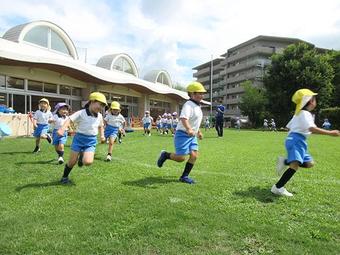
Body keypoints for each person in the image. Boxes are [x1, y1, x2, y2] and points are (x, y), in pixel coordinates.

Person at [272, 89, 340, 196]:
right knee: (294, 165)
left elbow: (287, 127)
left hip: (297, 140)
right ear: (311, 101)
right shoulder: (305, 114)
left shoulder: (298, 114)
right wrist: (330, 133)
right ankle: (278, 187)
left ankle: (285, 161)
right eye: (314, 98)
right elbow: (312, 128)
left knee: (309, 164)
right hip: (296, 140)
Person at [157, 82, 205, 184]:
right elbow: (184, 118)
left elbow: (195, 122)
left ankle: (184, 177)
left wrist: (198, 131)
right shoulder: (188, 105)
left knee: (194, 156)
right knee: (181, 158)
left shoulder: (197, 106)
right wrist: (188, 129)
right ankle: (165, 155)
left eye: (202, 93)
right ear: (192, 94)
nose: (202, 95)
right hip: (183, 134)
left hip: (192, 135)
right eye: (199, 93)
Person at [58, 92, 107, 184]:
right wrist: (62, 129)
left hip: (91, 141)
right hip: (79, 139)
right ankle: (64, 177)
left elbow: (101, 126)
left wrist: (102, 136)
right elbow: (69, 119)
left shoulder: (100, 116)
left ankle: (82, 156)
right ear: (92, 101)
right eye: (100, 104)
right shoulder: (81, 113)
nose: (101, 108)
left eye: (103, 106)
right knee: (72, 162)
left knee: (88, 162)